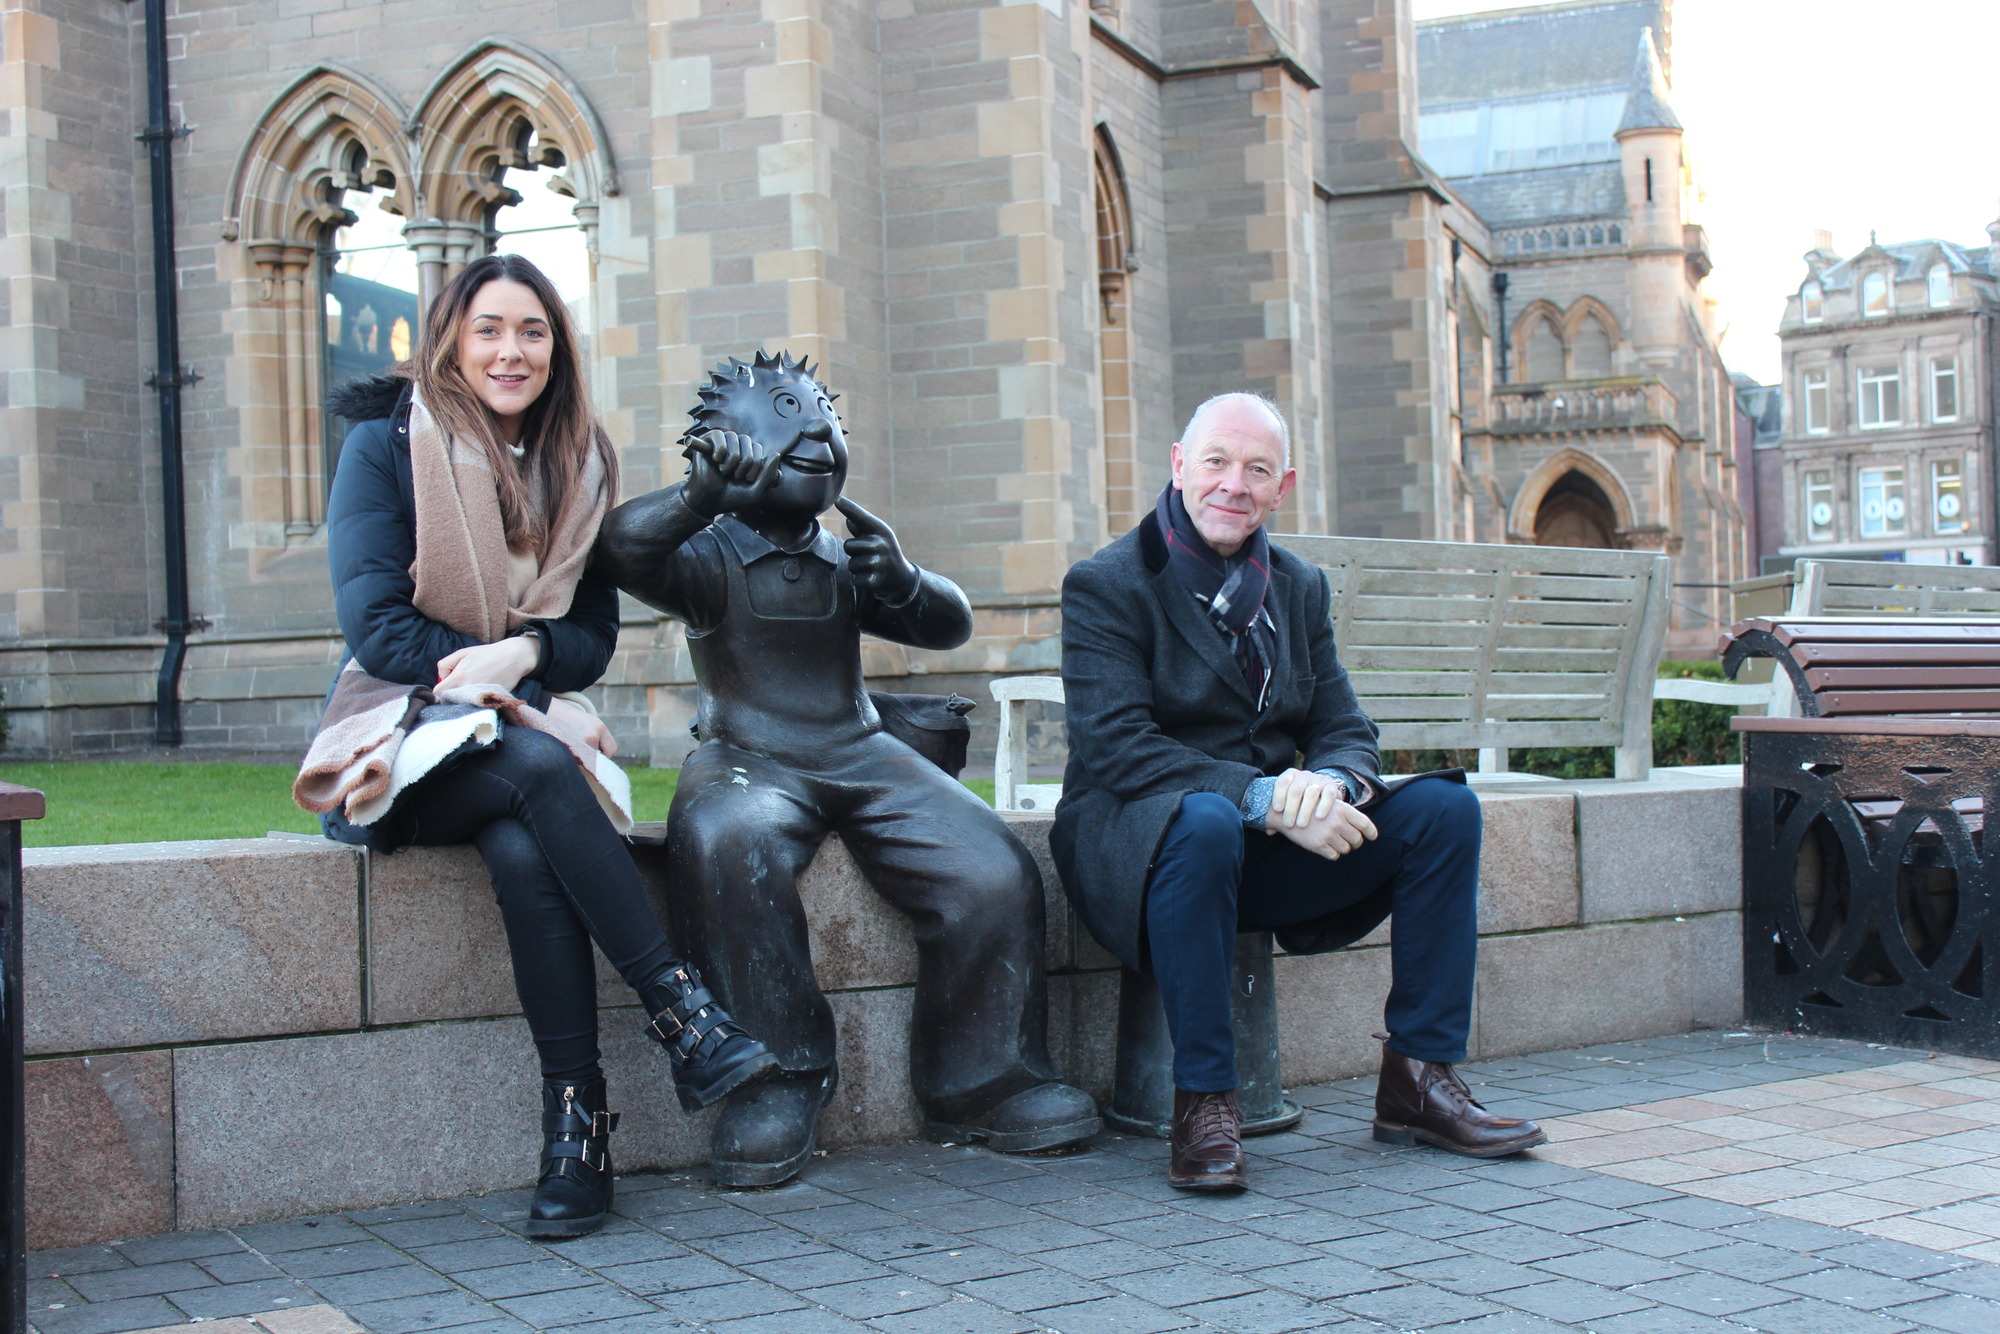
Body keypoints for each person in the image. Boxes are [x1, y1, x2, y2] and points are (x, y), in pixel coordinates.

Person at [294, 254, 775, 1238]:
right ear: (451, 340)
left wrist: (521, 659)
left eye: (533, 330)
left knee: (524, 838)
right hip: (394, 742)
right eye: (489, 329)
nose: (511, 350)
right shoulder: (384, 447)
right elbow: (381, 630)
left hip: (504, 762)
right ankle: (681, 1009)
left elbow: (588, 635)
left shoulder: (576, 463)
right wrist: (534, 701)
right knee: (540, 765)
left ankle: (577, 1129)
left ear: (556, 347)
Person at [595, 351, 1100, 1188]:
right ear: (732, 446)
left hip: (862, 750)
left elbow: (950, 627)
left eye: (825, 427)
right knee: (726, 840)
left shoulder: (846, 557)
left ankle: (983, 1077)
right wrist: (697, 498)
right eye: (792, 429)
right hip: (748, 757)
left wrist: (902, 577)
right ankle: (777, 1077)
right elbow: (618, 553)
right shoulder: (709, 553)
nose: (818, 441)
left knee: (993, 866)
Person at [1052, 392, 1546, 1192]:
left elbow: (1348, 727)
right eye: (1216, 462)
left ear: (1281, 487)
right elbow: (1117, 748)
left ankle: (1418, 1082)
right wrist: (1265, 797)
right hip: (1143, 851)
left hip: (1268, 846)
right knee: (1207, 821)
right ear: (1180, 465)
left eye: (1256, 470)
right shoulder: (1109, 583)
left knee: (1444, 810)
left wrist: (1327, 786)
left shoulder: (1296, 586)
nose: (1233, 485)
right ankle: (1206, 1102)